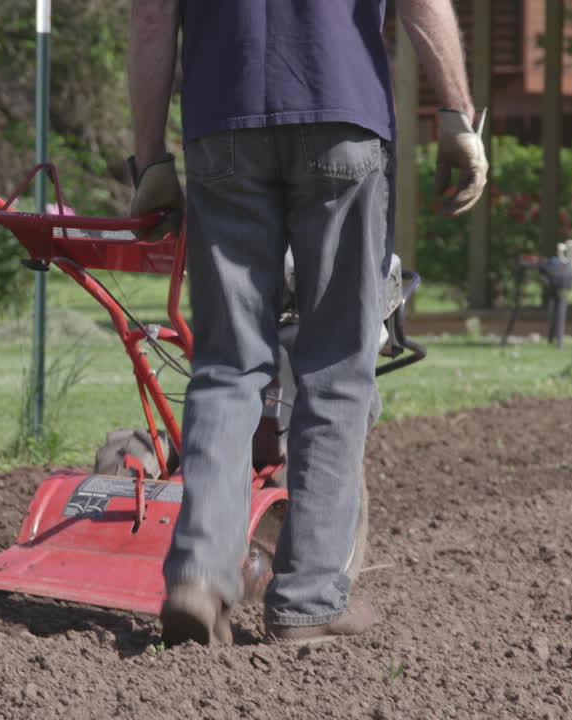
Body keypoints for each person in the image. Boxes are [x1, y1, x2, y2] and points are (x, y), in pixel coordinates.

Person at [126, 0, 488, 646]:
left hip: (223, 120)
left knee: (227, 365)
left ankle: (200, 576)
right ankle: (309, 601)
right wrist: (458, 114)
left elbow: (152, 17)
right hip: (342, 114)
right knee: (335, 369)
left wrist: (150, 156)